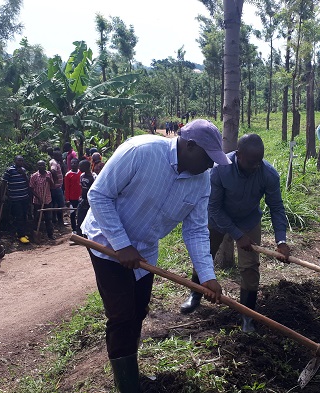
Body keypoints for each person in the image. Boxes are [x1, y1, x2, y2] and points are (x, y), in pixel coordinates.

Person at [81, 119, 227, 392]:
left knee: (138, 311)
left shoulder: (201, 180)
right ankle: (127, 386)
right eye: (208, 158)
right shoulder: (141, 151)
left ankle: (129, 369)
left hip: (145, 252)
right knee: (122, 315)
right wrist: (122, 245)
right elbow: (99, 195)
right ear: (190, 146)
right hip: (107, 244)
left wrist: (207, 276)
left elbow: (195, 230)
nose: (210, 166)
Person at [179, 134, 291, 332]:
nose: (256, 166)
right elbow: (213, 208)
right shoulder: (220, 170)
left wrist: (281, 240)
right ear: (238, 155)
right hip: (218, 219)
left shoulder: (268, 174)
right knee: (205, 256)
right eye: (251, 161)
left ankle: (247, 315)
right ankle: (195, 295)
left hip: (248, 220)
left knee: (250, 267)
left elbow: (276, 207)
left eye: (259, 161)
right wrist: (237, 235)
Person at [1, 156, 30, 244]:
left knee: (25, 215)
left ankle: (23, 233)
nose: (20, 162)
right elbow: (4, 183)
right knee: (19, 216)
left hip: (24, 197)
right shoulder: (10, 170)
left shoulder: (23, 170)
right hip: (15, 198)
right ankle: (20, 235)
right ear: (15, 161)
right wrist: (2, 195)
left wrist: (23, 174)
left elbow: (28, 182)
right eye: (19, 160)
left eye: (22, 160)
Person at [30, 160, 55, 240]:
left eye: (43, 165)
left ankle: (50, 235)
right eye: (40, 165)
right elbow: (31, 189)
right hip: (37, 202)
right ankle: (35, 235)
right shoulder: (34, 176)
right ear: (37, 167)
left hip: (47, 200)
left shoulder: (49, 174)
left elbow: (53, 186)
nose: (42, 167)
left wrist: (49, 180)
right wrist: (38, 198)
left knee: (48, 218)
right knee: (36, 218)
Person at [76, 159, 95, 233]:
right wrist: (81, 196)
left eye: (81, 166)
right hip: (83, 200)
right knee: (80, 217)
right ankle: (79, 235)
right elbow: (82, 187)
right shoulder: (82, 175)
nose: (79, 168)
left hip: (90, 201)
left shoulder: (94, 177)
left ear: (86, 167)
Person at [65, 158, 82, 234]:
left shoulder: (81, 173)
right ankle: (74, 229)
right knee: (72, 214)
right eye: (72, 163)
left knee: (81, 214)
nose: (73, 165)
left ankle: (80, 228)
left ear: (78, 164)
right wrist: (67, 199)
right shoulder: (68, 175)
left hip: (80, 198)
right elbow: (66, 188)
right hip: (72, 199)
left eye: (75, 163)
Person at [49, 150, 65, 225]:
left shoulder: (55, 162)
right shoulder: (54, 162)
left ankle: (55, 220)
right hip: (56, 187)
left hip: (56, 187)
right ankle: (60, 221)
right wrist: (56, 180)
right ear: (56, 156)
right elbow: (53, 170)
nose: (61, 157)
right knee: (60, 204)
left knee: (55, 203)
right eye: (60, 156)